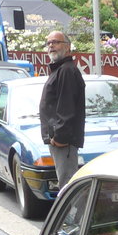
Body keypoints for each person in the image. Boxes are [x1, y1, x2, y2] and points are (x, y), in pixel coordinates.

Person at [39, 30, 84, 190]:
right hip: (59, 140)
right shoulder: (60, 70)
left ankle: (72, 215)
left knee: (67, 186)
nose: (51, 46)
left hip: (64, 142)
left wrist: (60, 137)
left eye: (56, 42)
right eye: (49, 43)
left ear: (68, 47)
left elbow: (67, 107)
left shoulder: (66, 70)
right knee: (64, 183)